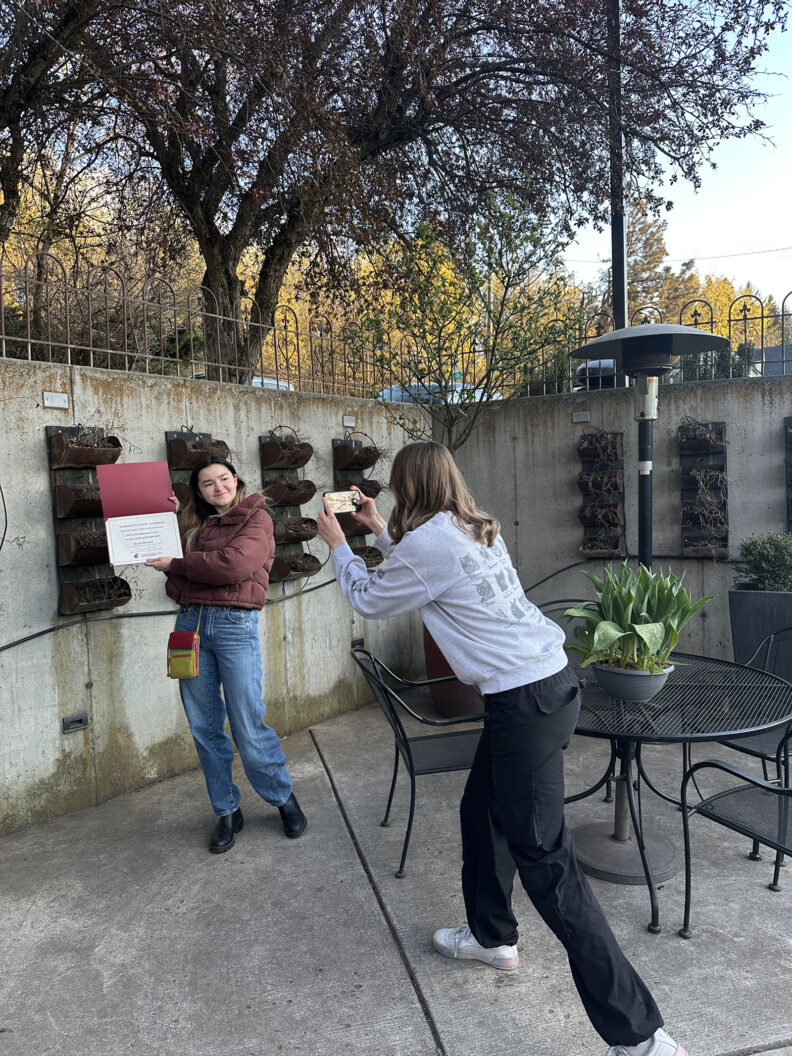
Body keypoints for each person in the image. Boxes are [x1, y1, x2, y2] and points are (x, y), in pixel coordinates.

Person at [316, 440, 686, 1056]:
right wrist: (377, 530)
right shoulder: (471, 525)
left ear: (410, 486)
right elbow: (421, 564)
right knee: (480, 807)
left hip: (525, 703)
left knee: (547, 862)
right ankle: (492, 936)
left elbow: (370, 598)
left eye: (397, 489)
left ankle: (641, 1037)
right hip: (547, 686)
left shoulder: (432, 543)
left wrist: (337, 545)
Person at [146, 457, 306, 853]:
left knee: (247, 723)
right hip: (189, 626)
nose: (218, 487)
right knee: (204, 725)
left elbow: (234, 566)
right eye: (207, 484)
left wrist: (181, 565)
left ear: (236, 480)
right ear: (197, 492)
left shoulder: (256, 518)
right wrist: (173, 544)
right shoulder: (195, 528)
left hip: (235, 627)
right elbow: (179, 577)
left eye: (223, 478)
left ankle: (282, 798)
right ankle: (226, 810)